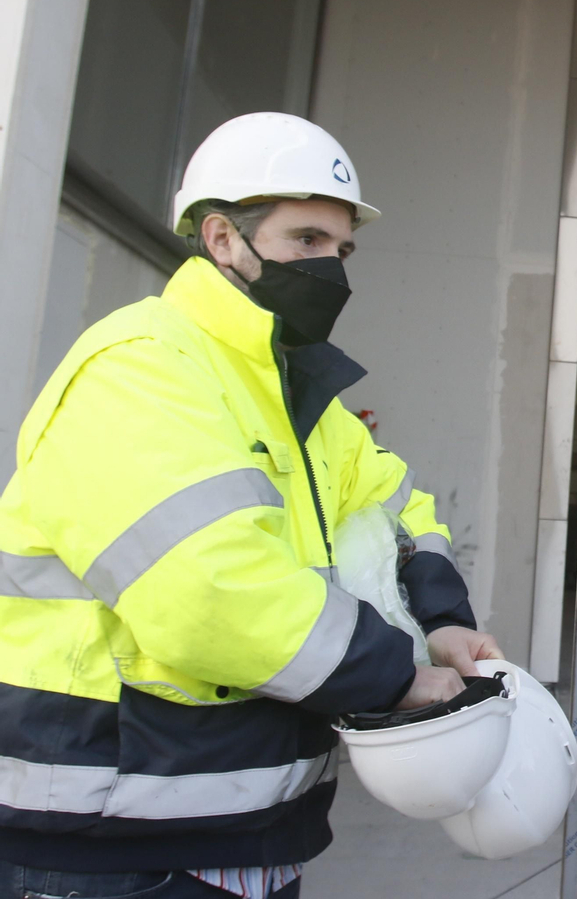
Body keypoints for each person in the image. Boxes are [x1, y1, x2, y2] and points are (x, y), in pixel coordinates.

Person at [0, 113, 501, 899]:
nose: (331, 267)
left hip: (248, 830)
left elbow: (401, 513)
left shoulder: (303, 403)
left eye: (341, 249)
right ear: (222, 239)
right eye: (306, 240)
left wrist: (443, 620)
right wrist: (393, 674)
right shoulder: (140, 366)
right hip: (106, 845)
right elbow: (207, 588)